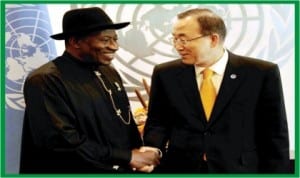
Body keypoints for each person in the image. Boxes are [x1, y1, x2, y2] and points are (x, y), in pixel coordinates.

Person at [143, 8, 290, 173]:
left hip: (239, 169)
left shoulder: (260, 73)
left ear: (213, 39)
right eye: (175, 39)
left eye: (184, 39)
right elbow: (157, 122)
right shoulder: (165, 74)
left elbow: (275, 134)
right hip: (182, 168)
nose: (178, 46)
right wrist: (153, 150)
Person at [19, 7, 160, 173]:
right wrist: (127, 157)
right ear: (75, 42)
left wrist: (139, 154)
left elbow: (123, 122)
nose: (114, 47)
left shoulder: (109, 71)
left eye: (115, 39)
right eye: (105, 40)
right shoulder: (45, 79)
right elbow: (60, 142)